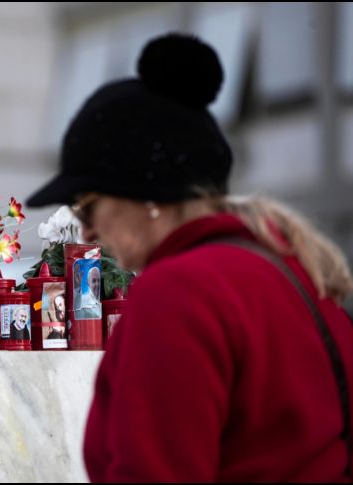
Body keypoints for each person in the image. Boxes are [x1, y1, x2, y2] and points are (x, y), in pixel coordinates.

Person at [27, 32, 353, 482]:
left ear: (146, 195)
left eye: (88, 204)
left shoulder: (178, 291)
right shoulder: (294, 267)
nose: (87, 230)